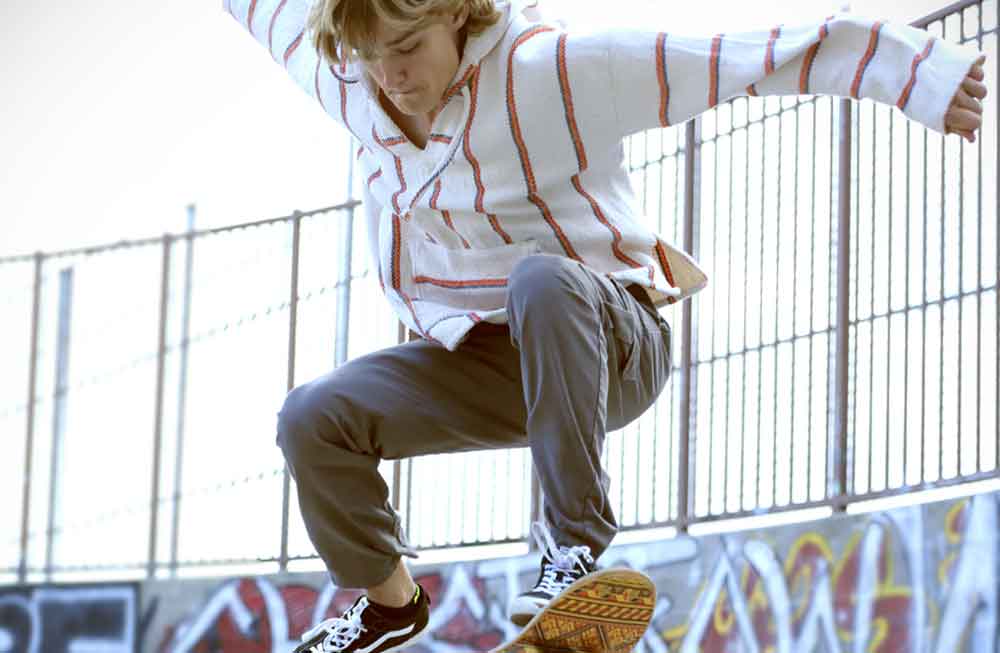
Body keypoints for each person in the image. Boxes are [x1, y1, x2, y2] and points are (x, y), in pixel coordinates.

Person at [222, 0, 987, 651]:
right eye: (372, 56)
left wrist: (919, 78)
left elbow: (732, 60)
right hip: (488, 363)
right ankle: (390, 605)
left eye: (408, 48)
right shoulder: (345, 75)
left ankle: (574, 553)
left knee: (541, 276)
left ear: (456, 12)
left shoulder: (547, 72)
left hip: (613, 340)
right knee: (312, 416)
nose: (390, 76)